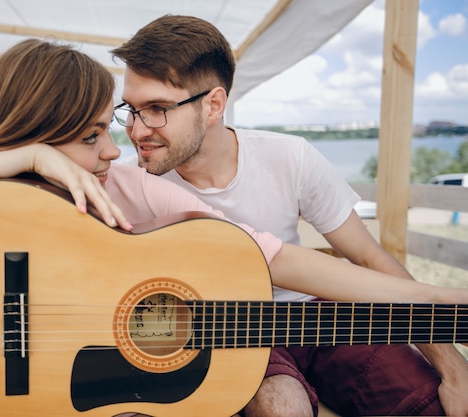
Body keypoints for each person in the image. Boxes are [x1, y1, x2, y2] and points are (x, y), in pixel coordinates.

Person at [0, 38, 465, 417]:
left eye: (110, 127)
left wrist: (442, 302)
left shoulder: (124, 185)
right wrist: (19, 159)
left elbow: (278, 260)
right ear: (36, 131)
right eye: (92, 137)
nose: (116, 149)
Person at [110, 14, 468, 417]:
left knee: (428, 401)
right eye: (131, 109)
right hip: (229, 331)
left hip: (316, 317)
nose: (136, 131)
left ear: (213, 104)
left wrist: (454, 368)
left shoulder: (290, 157)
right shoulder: (128, 185)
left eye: (157, 109)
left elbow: (369, 258)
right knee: (282, 407)